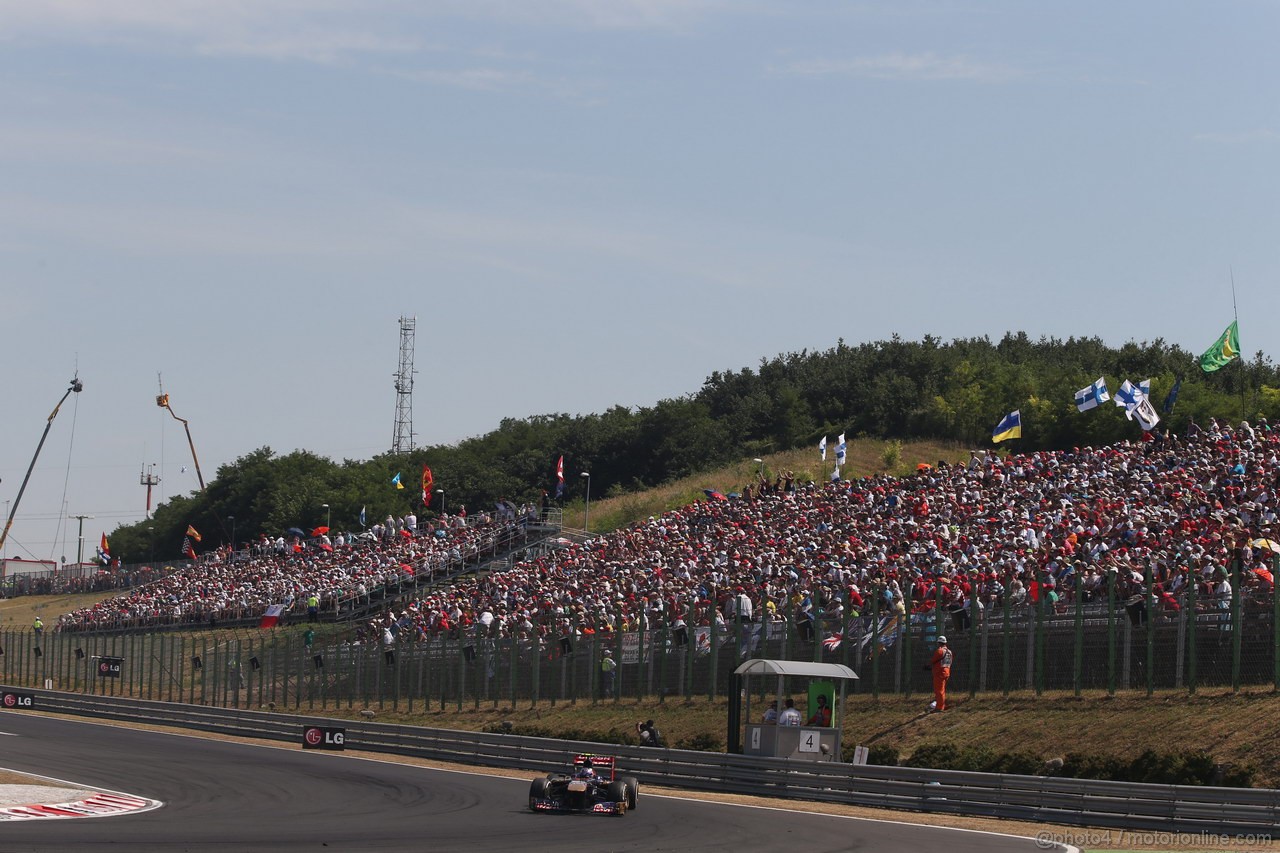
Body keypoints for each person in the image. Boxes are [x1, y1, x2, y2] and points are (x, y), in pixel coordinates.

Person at [925, 635, 953, 712]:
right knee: (942, 690)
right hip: (947, 672)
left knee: (939, 691)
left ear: (939, 643)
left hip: (939, 673)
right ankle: (942, 705)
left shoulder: (940, 651)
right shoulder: (949, 652)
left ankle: (939, 707)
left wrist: (927, 665)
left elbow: (933, 660)